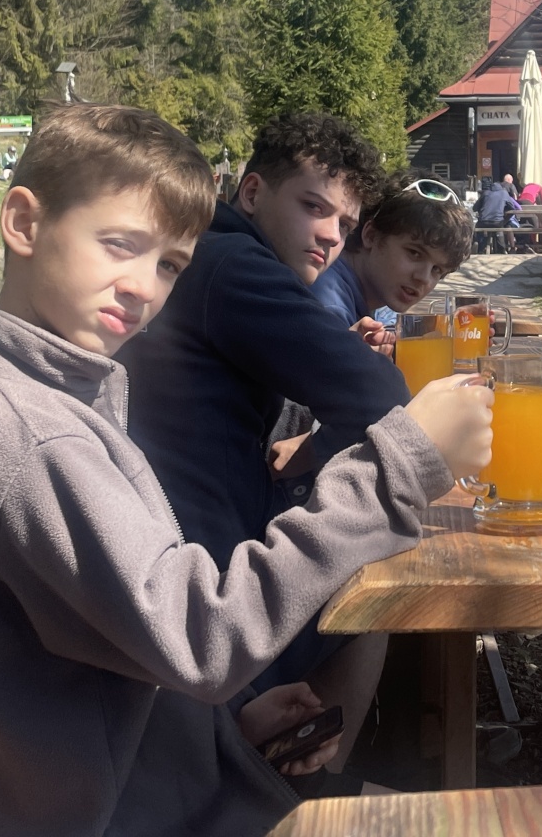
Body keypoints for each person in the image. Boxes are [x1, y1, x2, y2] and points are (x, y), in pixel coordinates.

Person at [0, 103, 494, 836]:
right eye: (120, 245)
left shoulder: (45, 406)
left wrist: (216, 729)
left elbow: (86, 659)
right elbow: (199, 639)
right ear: (23, 223)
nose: (144, 287)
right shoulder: (22, 437)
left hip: (150, 779)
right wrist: (403, 462)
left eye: (170, 264)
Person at [117, 113, 421, 777]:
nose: (331, 235)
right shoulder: (235, 264)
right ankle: (299, 795)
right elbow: (383, 400)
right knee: (369, 592)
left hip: (178, 550)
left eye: (345, 223)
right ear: (252, 193)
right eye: (314, 207)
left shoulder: (213, 257)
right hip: (208, 583)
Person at [311, 175, 474, 327]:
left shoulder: (364, 295)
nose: (423, 278)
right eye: (415, 253)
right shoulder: (330, 310)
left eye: (436, 269)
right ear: (371, 235)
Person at [475, 175, 521, 253]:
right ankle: (501, 249)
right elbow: (512, 208)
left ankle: (480, 247)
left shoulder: (485, 193)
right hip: (497, 222)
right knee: (499, 226)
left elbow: (475, 208)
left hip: (484, 221)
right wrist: (505, 219)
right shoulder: (504, 193)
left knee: (479, 226)